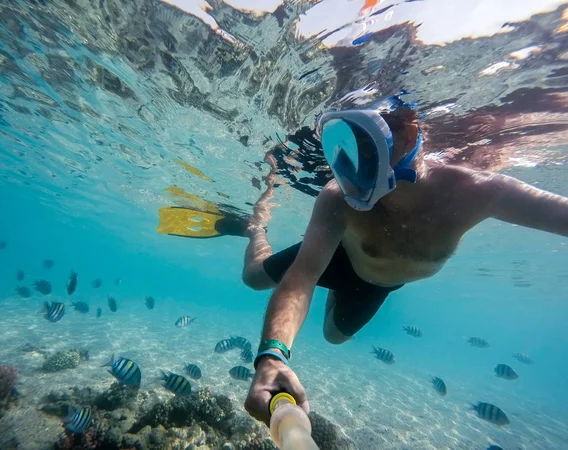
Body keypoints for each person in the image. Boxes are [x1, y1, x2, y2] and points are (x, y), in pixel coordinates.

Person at [241, 100, 568, 425]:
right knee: (254, 277)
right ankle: (256, 229)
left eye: (366, 147)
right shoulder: (337, 198)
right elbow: (301, 278)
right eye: (343, 150)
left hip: (378, 286)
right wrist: (272, 356)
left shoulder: (476, 191)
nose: (352, 166)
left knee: (334, 336)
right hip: (340, 259)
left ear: (410, 136)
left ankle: (336, 292)